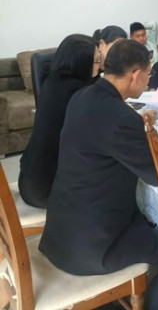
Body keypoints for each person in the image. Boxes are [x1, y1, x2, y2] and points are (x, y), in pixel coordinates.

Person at [39, 39, 158, 310]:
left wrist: (139, 127)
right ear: (135, 74)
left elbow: (107, 139)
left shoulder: (83, 96)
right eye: (148, 72)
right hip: (94, 245)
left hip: (61, 232)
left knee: (151, 222)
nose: (149, 79)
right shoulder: (119, 117)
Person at [18, 34, 101, 208]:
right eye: (96, 61)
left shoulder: (52, 83)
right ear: (81, 63)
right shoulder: (77, 94)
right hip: (48, 190)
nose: (99, 67)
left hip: (29, 180)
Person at [130, 21, 158, 89]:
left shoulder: (151, 41)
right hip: (151, 78)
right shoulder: (130, 51)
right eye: (138, 36)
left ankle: (152, 89)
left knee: (157, 65)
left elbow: (154, 24)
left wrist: (140, 26)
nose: (141, 38)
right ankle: (157, 93)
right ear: (131, 37)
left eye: (143, 35)